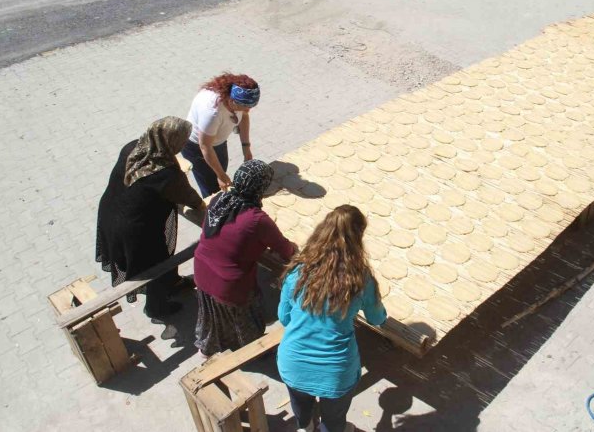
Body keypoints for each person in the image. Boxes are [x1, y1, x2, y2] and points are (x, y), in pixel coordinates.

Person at [277, 205, 388, 432]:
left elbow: (284, 318)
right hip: (336, 372)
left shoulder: (298, 271)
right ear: (358, 238)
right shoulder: (361, 279)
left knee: (302, 410)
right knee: (334, 422)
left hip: (293, 363)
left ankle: (305, 427)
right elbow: (377, 318)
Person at [96, 116, 205, 318]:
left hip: (112, 213)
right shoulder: (165, 174)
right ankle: (157, 308)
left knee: (159, 260)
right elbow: (192, 200)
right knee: (156, 267)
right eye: (181, 141)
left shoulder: (133, 148)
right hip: (137, 231)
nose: (183, 146)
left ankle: (173, 282)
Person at [193, 159, 296, 356]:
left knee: (214, 313)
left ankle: (208, 347)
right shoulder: (257, 219)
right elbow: (286, 251)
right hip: (229, 284)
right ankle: (251, 352)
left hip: (201, 270)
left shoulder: (218, 201)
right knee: (245, 318)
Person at [181, 73, 260, 198]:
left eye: (250, 106)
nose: (247, 110)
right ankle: (212, 212)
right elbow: (205, 146)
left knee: (221, 172)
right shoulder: (212, 112)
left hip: (217, 142)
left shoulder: (238, 102)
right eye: (244, 106)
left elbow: (244, 117)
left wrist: (246, 149)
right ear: (232, 100)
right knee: (212, 188)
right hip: (196, 147)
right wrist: (221, 176)